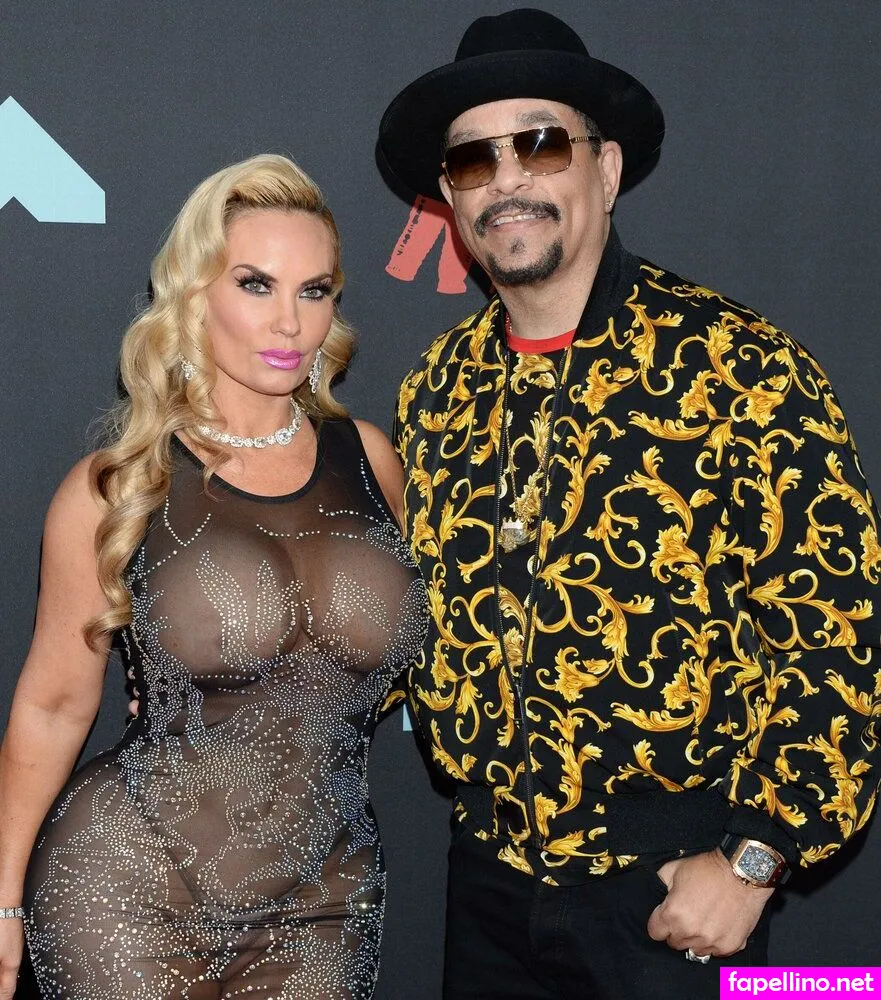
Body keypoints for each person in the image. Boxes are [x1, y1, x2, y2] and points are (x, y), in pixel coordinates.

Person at [378, 9, 881, 999]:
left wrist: (754, 859)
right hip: (483, 885)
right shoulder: (435, 388)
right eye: (473, 159)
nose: (507, 179)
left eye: (539, 142)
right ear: (450, 197)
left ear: (604, 171)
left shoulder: (739, 368)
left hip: (670, 896)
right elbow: (407, 620)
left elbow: (835, 633)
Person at [0, 153, 428, 1000]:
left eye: (314, 290)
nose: (289, 322)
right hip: (125, 886)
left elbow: (368, 663)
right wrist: (2, 896)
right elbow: (52, 706)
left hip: (325, 900)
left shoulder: (370, 459)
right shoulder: (120, 486)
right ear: (196, 295)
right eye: (255, 284)